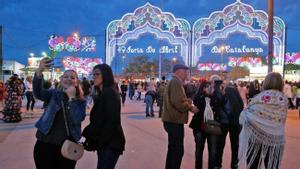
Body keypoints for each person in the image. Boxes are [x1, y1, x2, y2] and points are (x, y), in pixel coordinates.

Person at [33, 57, 86, 169]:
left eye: (72, 77)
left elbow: (78, 118)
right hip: (45, 143)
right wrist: (39, 71)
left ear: (77, 82)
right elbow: (38, 93)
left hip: (67, 147)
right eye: (66, 76)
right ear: (61, 80)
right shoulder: (53, 94)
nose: (69, 79)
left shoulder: (80, 101)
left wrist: (71, 98)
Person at [238, 72, 288, 169]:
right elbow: (281, 119)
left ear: (266, 82)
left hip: (256, 138)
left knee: (253, 165)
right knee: (272, 165)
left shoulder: (259, 97)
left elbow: (248, 115)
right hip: (275, 139)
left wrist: (244, 114)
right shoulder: (284, 100)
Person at [82, 64, 126, 169]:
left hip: (110, 142)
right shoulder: (104, 92)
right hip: (106, 141)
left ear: (105, 75)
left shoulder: (109, 92)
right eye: (93, 74)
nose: (94, 77)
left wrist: (90, 134)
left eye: (97, 74)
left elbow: (111, 121)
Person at [162, 64, 198, 169]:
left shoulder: (176, 82)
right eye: (184, 71)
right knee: (177, 151)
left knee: (173, 150)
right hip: (174, 122)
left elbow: (178, 99)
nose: (186, 73)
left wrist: (187, 101)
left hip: (173, 121)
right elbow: (178, 102)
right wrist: (191, 107)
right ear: (178, 71)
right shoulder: (175, 82)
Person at [213, 76, 244, 169]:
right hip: (235, 121)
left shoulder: (216, 91)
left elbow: (216, 105)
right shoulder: (233, 90)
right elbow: (241, 104)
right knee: (235, 145)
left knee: (220, 145)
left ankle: (218, 165)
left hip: (223, 122)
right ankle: (234, 165)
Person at [189, 80, 218, 169]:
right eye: (207, 86)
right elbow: (197, 102)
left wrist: (212, 94)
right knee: (199, 150)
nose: (210, 88)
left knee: (213, 151)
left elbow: (220, 103)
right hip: (199, 126)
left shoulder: (215, 97)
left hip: (212, 126)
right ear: (203, 88)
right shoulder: (199, 97)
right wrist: (206, 94)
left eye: (211, 87)